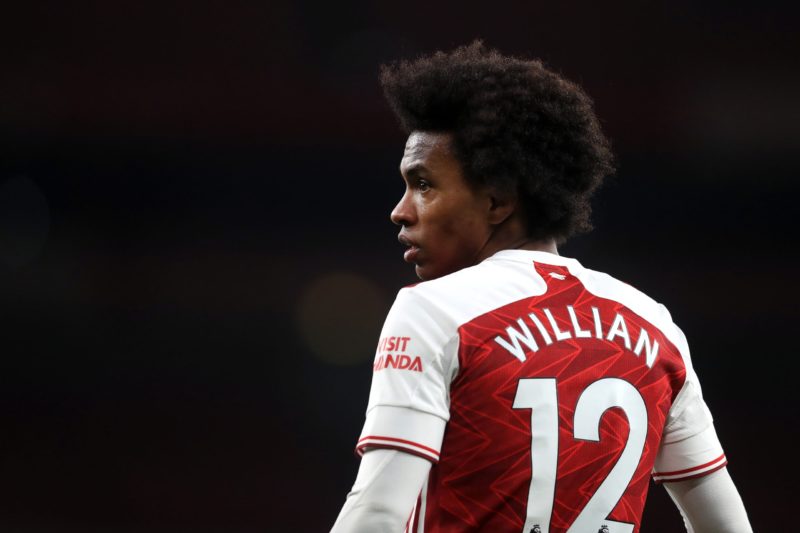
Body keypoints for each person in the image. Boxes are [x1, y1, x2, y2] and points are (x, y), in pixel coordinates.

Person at [330, 41, 751, 533]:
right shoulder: (654, 326)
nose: (400, 210)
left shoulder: (435, 313)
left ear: (497, 200)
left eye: (423, 184)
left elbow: (378, 512)